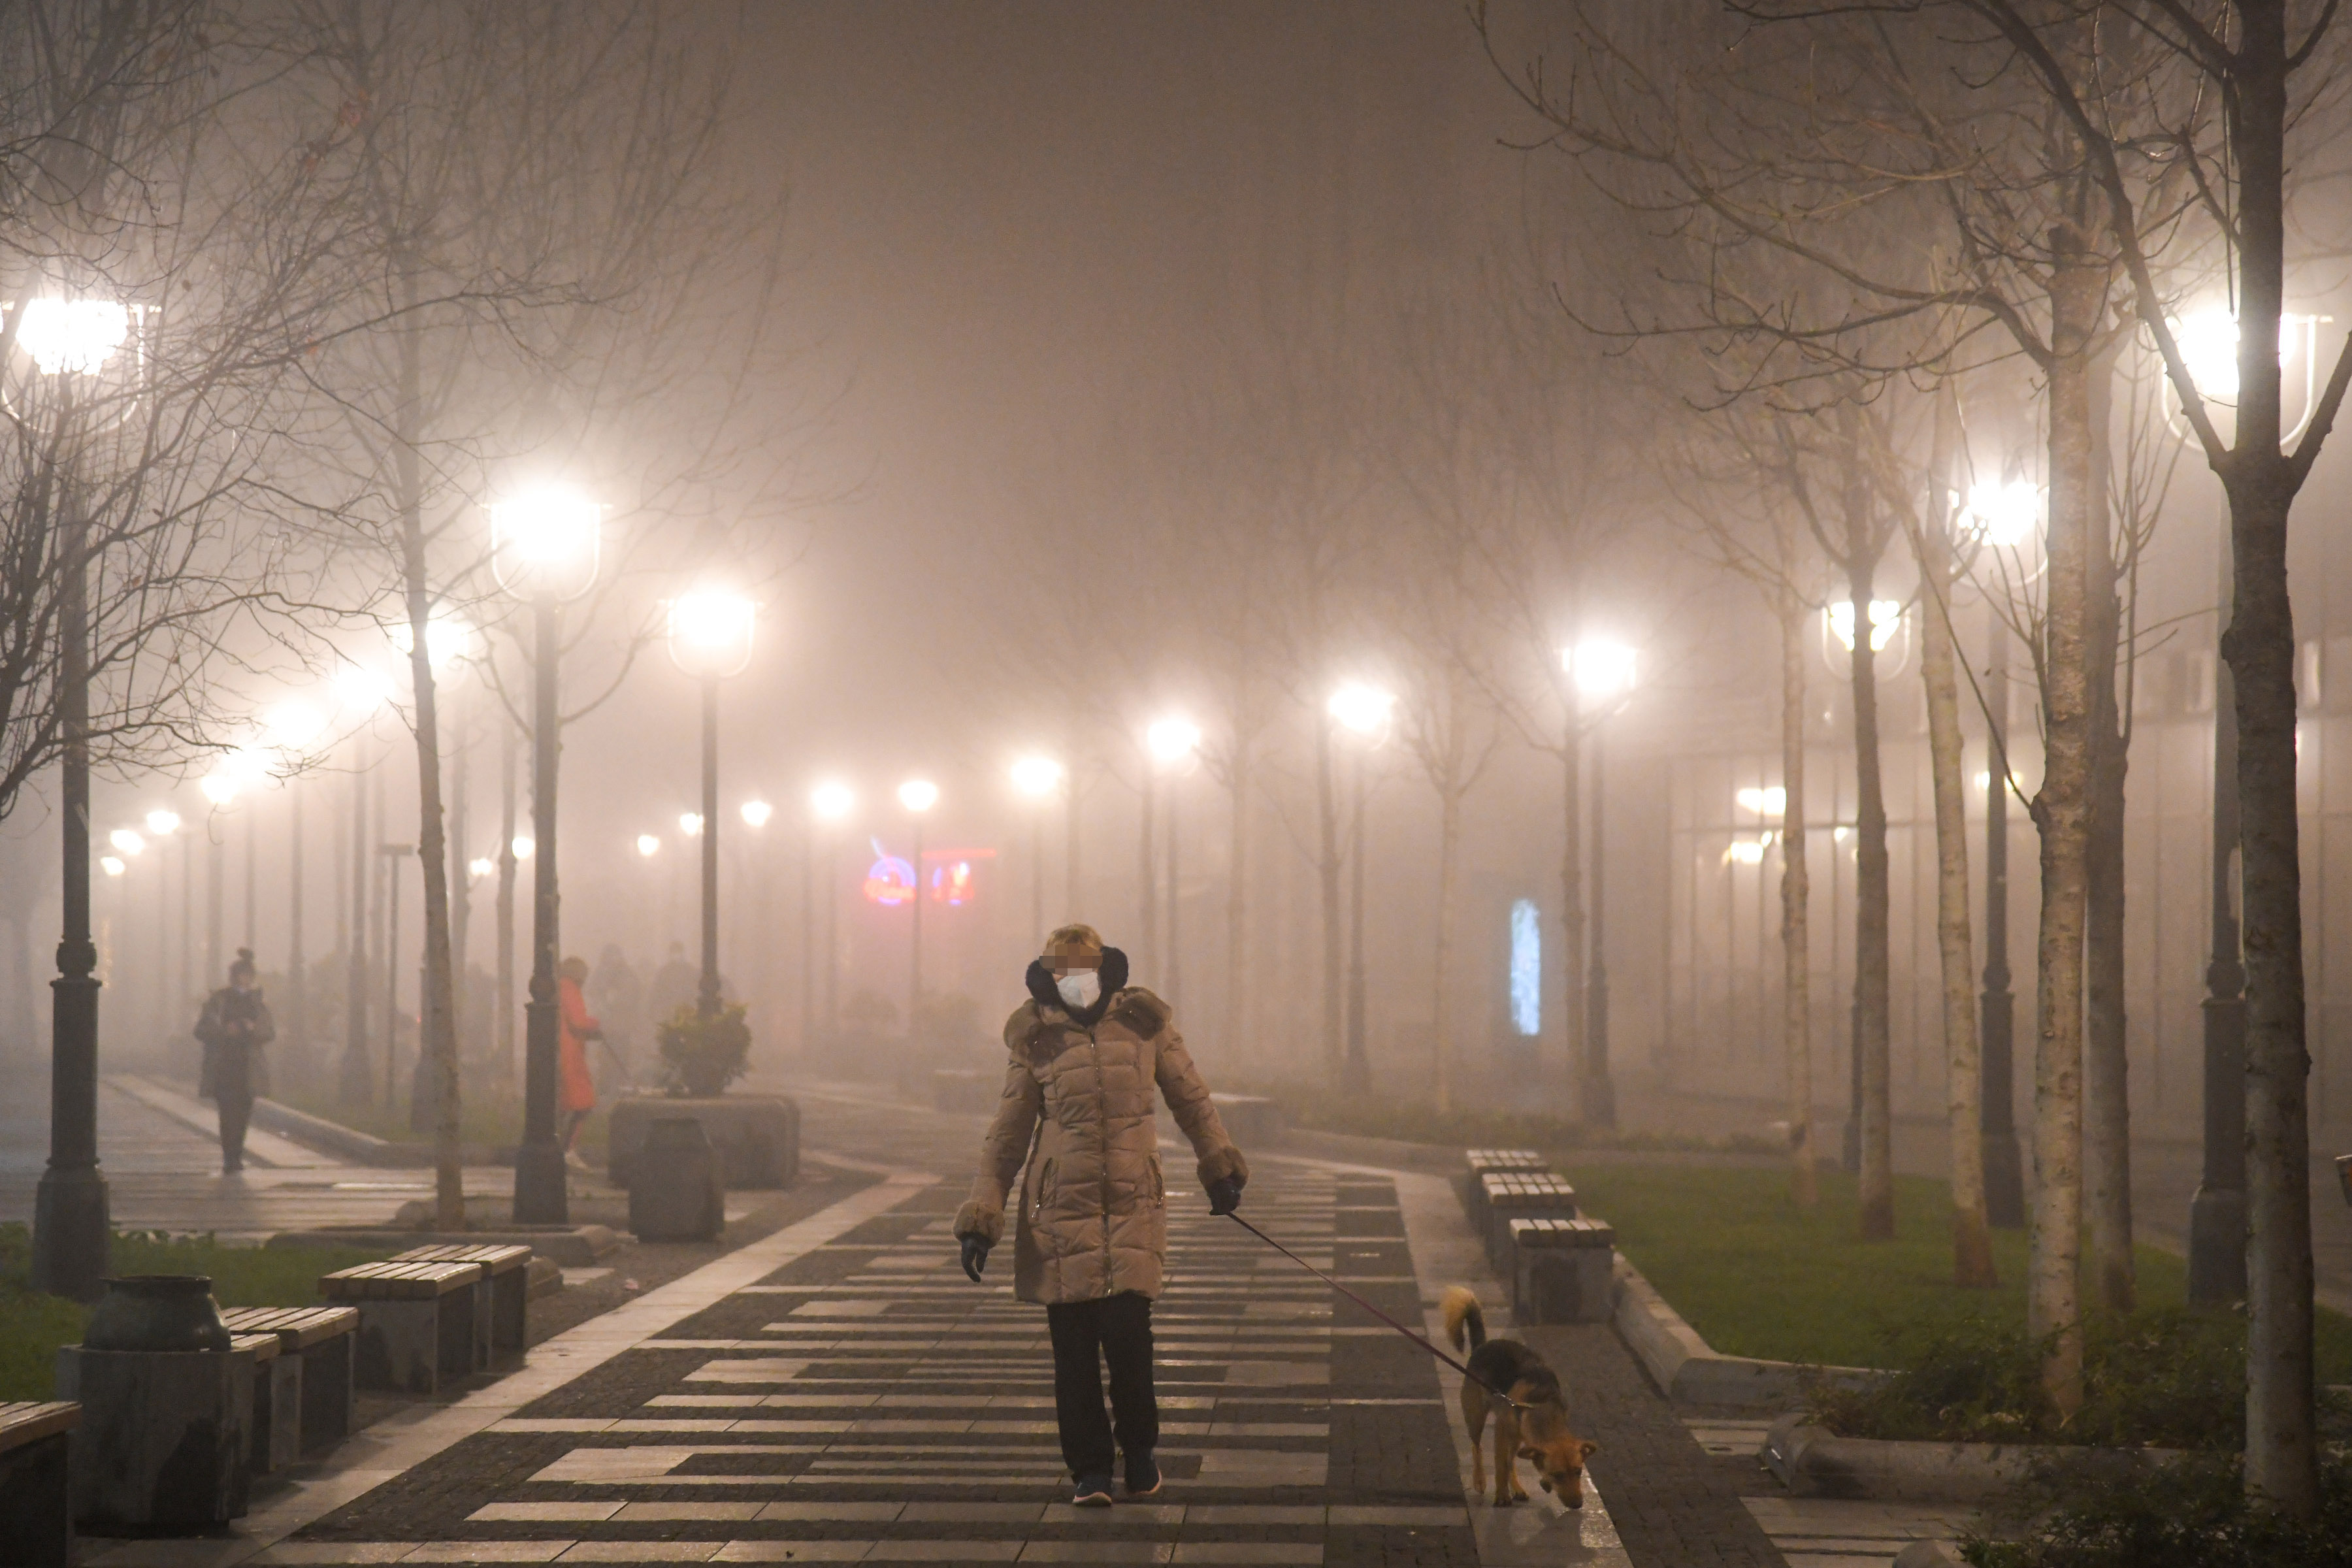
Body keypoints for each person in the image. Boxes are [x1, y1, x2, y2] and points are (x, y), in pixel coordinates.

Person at [953, 923, 1248, 1507]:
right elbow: (1009, 1133)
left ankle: (1139, 1452)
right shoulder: (1036, 1038)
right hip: (1061, 1212)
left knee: (1130, 1341)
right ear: (1048, 976)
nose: (1074, 984)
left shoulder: (1143, 1025)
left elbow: (1191, 1097)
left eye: (1082, 972)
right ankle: (1090, 1469)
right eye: (1062, 974)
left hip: (1133, 1203)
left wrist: (1219, 1164)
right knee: (1074, 1353)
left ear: (1104, 970)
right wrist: (983, 1213)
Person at [195, 949, 276, 1175]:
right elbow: (201, 1029)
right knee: (227, 1113)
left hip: (248, 1067)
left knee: (243, 1112)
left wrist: (253, 1029)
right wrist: (224, 1031)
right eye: (241, 974)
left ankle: (237, 1153)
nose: (245, 978)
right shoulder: (219, 1000)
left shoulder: (257, 1002)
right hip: (224, 1065)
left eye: (248, 974)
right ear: (234, 976)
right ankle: (230, 1156)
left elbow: (269, 1032)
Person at [557, 955, 603, 1172]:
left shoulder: (558, 988)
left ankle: (561, 1148)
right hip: (571, 1056)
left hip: (562, 1053)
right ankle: (568, 1149)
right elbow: (578, 1021)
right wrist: (596, 1023)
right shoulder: (570, 990)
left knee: (566, 1106)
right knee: (583, 1103)